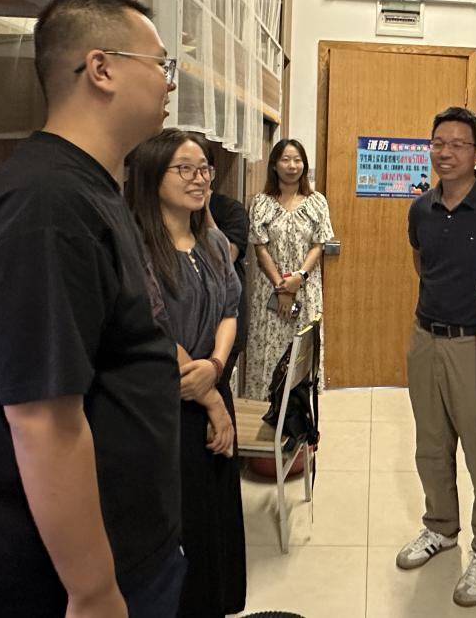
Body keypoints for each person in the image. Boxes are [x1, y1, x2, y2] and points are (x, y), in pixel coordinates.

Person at [0, 0, 183, 618]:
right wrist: (93, 590)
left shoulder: (91, 189)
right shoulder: (45, 208)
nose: (170, 82)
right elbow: (44, 420)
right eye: (160, 63)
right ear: (102, 69)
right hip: (56, 581)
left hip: (128, 551)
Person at [397, 107, 476, 607]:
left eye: (457, 144)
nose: (445, 153)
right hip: (425, 336)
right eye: (438, 143)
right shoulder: (420, 208)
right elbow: (422, 265)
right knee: (430, 442)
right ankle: (440, 527)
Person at [126, 128, 247, 617]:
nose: (200, 180)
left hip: (210, 383)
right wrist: (209, 397)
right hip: (168, 400)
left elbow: (230, 308)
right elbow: (151, 322)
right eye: (185, 169)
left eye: (204, 170)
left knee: (214, 519)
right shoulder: (136, 244)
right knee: (181, 522)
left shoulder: (212, 241)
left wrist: (215, 368)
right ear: (153, 176)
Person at [246, 139, 335, 397]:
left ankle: (301, 414)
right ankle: (267, 409)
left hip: (306, 291)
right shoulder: (261, 202)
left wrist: (299, 277)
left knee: (302, 353)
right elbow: (260, 248)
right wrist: (282, 286)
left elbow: (318, 245)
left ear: (304, 165)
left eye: (297, 160)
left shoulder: (317, 201)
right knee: (269, 351)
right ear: (274, 165)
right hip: (270, 290)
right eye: (285, 160)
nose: (292, 166)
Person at [209, 190, 251, 380]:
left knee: (218, 384)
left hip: (226, 321)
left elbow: (226, 256)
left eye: (203, 174)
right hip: (187, 332)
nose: (198, 179)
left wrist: (204, 211)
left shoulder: (231, 209)